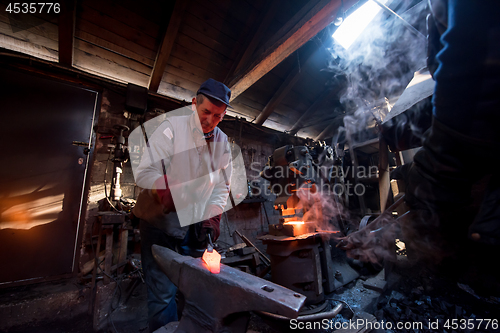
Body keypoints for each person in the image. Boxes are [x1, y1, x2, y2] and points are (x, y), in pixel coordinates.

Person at [132, 78, 233, 331]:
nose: (210, 120)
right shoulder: (171, 128)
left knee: (190, 290)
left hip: (194, 227)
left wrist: (212, 216)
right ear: (193, 104)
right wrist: (164, 187)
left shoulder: (222, 143)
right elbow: (144, 172)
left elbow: (222, 186)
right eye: (206, 112)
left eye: (218, 116)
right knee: (162, 294)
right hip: (160, 224)